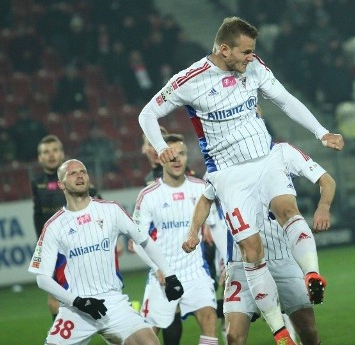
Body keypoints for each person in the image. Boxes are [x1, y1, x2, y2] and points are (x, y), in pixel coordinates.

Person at [139, 16, 344, 344]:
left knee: (288, 211)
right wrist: (161, 148)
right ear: (223, 49)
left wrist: (321, 133)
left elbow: (285, 99)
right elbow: (146, 114)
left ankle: (311, 273)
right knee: (251, 249)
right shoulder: (188, 81)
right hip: (229, 175)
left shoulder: (254, 67)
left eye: (253, 51)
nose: (251, 57)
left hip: (265, 160)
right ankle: (280, 331)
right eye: (246, 51)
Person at [186, 140, 336, 345]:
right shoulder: (221, 162)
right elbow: (205, 199)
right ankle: (281, 334)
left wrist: (324, 206)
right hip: (242, 262)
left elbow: (326, 179)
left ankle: (284, 330)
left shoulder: (282, 151)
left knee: (308, 332)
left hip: (282, 257)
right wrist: (193, 231)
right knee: (233, 336)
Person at [28, 159, 185, 345]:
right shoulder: (53, 226)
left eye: (83, 171)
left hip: (113, 302)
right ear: (61, 184)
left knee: (150, 343)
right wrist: (78, 301)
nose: (79, 175)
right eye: (72, 173)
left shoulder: (111, 210)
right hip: (76, 308)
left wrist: (170, 275)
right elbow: (42, 278)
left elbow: (145, 241)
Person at [132, 134, 218, 345]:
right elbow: (137, 242)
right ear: (161, 158)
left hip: (196, 271)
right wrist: (157, 268)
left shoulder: (202, 189)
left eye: (181, 154)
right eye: (171, 155)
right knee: (147, 338)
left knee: (209, 317)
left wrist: (225, 266)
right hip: (163, 274)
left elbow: (215, 230)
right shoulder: (148, 195)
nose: (177, 159)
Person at [30, 135, 100, 320]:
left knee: (94, 289)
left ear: (62, 153)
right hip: (55, 246)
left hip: (81, 243)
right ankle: (65, 333)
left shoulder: (74, 176)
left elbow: (97, 202)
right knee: (54, 297)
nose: (51, 155)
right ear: (39, 158)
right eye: (46, 152)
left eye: (54, 150)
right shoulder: (37, 183)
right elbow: (38, 215)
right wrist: (41, 244)